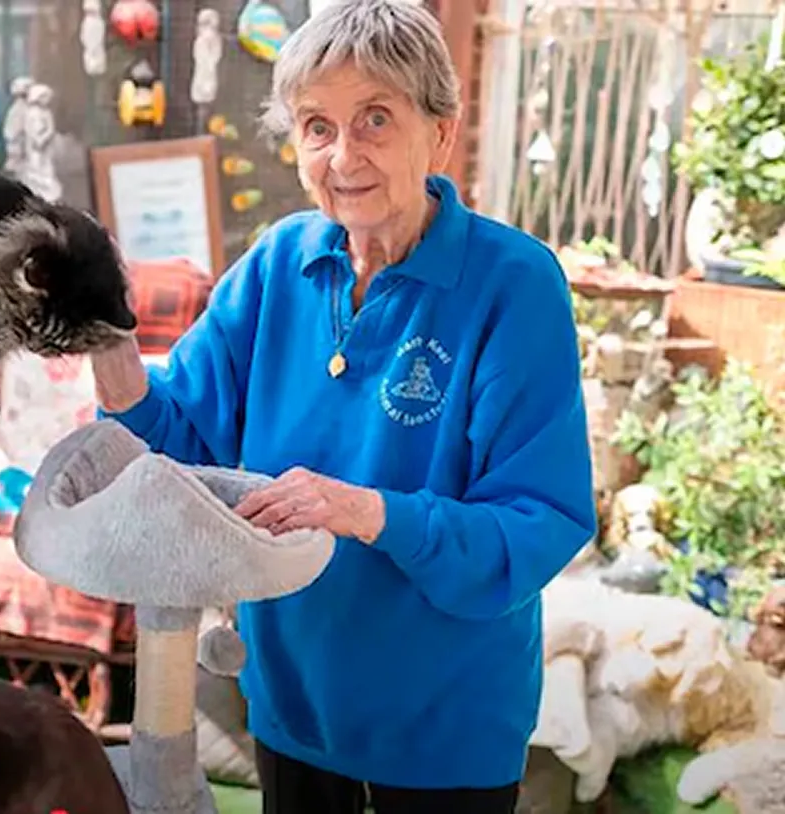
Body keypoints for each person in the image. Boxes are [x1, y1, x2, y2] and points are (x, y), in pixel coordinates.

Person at [89, 1, 596, 812]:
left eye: (375, 120)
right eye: (317, 126)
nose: (343, 156)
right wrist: (107, 346)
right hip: (293, 706)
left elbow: (536, 523)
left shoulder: (515, 285)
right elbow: (181, 440)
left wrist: (367, 511)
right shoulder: (279, 262)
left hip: (445, 729)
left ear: (440, 132)